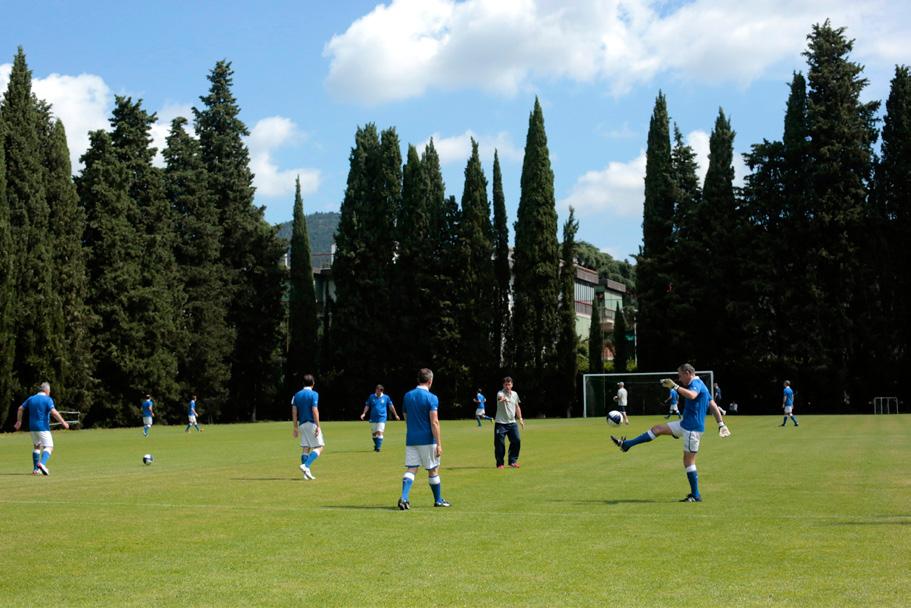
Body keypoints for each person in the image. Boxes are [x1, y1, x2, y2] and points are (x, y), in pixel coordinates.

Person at [611, 364, 730, 502]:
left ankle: (696, 495)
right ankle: (627, 444)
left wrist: (675, 387)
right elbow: (713, 405)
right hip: (684, 424)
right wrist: (721, 424)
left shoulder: (696, 383)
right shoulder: (700, 383)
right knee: (657, 429)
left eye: (680, 375)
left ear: (688, 372)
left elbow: (692, 396)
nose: (679, 378)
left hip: (692, 429)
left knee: (688, 461)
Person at [398, 368, 450, 509]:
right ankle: (438, 500)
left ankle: (404, 497)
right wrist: (439, 444)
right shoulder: (432, 398)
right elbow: (434, 422)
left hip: (411, 439)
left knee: (411, 468)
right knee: (433, 469)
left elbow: (406, 416)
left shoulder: (407, 396)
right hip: (427, 439)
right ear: (430, 381)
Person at [14, 382, 69, 475]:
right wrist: (63, 422)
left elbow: (20, 408)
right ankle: (42, 464)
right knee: (49, 447)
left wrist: (19, 421)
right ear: (47, 390)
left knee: (37, 446)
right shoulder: (48, 399)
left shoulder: (31, 398)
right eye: (50, 391)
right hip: (43, 427)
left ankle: (36, 469)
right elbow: (54, 412)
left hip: (32, 427)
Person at [292, 374, 323, 480]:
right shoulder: (314, 394)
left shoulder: (296, 395)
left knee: (306, 448)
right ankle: (306, 465)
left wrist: (295, 427)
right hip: (311, 423)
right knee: (320, 447)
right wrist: (318, 426)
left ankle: (306, 474)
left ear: (303, 383)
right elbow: (315, 410)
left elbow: (294, 412)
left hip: (302, 425)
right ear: (313, 383)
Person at [494, 376, 525, 469]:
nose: (508, 386)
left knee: (517, 440)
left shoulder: (515, 394)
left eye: (509, 384)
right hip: (500, 423)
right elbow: (500, 398)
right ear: (503, 385)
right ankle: (500, 464)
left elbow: (517, 407)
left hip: (512, 423)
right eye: (506, 384)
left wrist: (520, 419)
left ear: (512, 385)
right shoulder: (500, 393)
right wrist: (503, 399)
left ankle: (512, 461)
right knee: (500, 443)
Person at [360, 384, 399, 452]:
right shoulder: (371, 396)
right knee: (374, 434)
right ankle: (376, 445)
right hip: (373, 417)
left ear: (381, 391)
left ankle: (378, 448)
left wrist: (396, 415)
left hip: (382, 417)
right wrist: (364, 413)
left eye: (379, 391)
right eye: (376, 390)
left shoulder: (386, 397)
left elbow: (391, 406)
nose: (377, 392)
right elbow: (367, 406)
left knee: (379, 432)